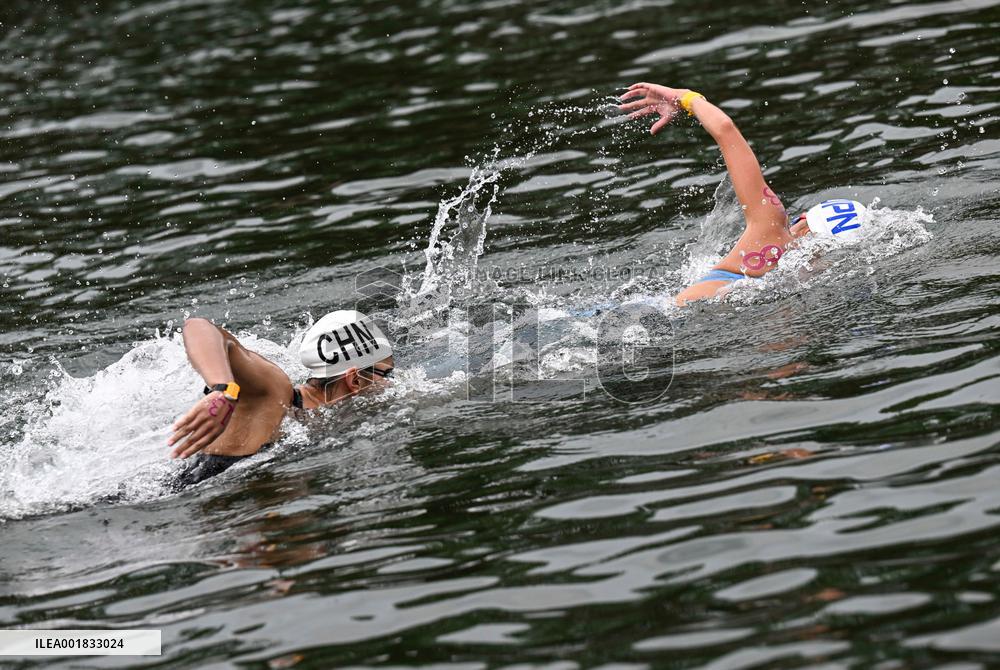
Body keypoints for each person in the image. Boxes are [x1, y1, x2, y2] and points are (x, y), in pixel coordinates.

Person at [618, 82, 869, 306]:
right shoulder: (804, 280)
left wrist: (685, 97)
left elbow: (725, 129)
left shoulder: (771, 229)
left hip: (661, 310)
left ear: (803, 220)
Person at [166, 310, 395, 489]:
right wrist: (222, 389)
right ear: (355, 379)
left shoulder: (323, 415)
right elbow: (198, 327)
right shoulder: (274, 394)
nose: (391, 384)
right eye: (387, 375)